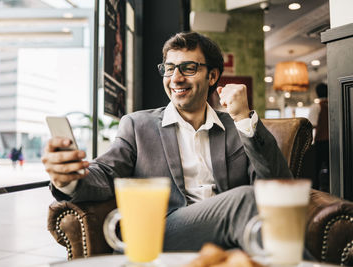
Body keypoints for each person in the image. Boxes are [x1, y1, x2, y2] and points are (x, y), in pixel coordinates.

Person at [42, 32, 292, 252]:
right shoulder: (137, 125)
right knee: (245, 200)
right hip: (162, 231)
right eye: (169, 68)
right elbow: (106, 173)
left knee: (256, 206)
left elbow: (279, 186)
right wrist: (70, 179)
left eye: (188, 68)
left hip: (228, 234)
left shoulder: (236, 126)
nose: (176, 78)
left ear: (212, 75)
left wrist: (244, 119)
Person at [308, 83, 329, 191]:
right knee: (333, 168)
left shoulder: (316, 106)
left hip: (321, 141)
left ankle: (315, 191)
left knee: (316, 169)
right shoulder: (333, 104)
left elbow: (311, 124)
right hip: (334, 141)